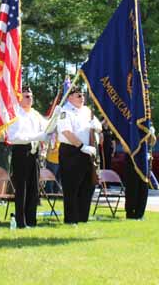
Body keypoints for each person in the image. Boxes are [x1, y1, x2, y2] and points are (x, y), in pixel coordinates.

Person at [57, 86, 102, 224]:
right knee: (72, 187)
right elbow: (66, 132)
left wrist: (97, 126)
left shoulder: (87, 110)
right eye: (78, 95)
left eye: (82, 95)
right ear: (70, 97)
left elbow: (98, 128)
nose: (82, 97)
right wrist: (82, 147)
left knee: (87, 186)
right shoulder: (65, 112)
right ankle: (71, 220)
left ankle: (83, 218)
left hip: (88, 152)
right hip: (71, 152)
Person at [6, 85, 48, 228]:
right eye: (26, 96)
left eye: (31, 96)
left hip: (34, 153)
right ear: (19, 98)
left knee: (33, 188)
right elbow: (15, 137)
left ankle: (31, 220)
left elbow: (47, 128)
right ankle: (21, 221)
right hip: (21, 151)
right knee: (22, 188)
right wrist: (37, 136)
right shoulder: (15, 114)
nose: (30, 99)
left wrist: (56, 117)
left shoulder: (35, 114)